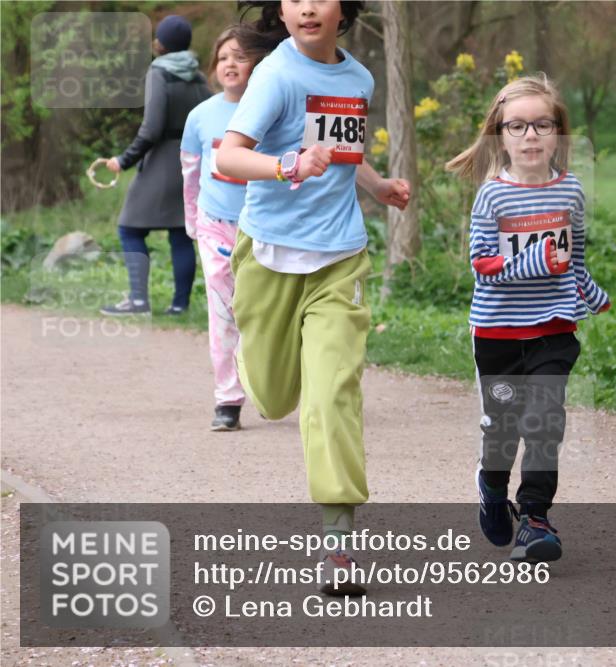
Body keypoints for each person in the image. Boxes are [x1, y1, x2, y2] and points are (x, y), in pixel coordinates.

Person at [216, 0, 410, 594]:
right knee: (274, 399)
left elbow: (341, 152)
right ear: (283, 8)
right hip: (270, 253)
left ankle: (339, 544)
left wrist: (378, 186)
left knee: (331, 397)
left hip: (339, 257)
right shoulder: (275, 75)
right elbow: (228, 156)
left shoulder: (358, 77)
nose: (307, 6)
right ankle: (257, 360)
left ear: (343, 9)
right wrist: (288, 165)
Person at [446, 75, 611, 563]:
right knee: (503, 431)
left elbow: (574, 256)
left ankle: (535, 518)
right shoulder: (493, 197)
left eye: (542, 124)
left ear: (559, 132)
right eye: (517, 126)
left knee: (544, 422)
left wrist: (589, 291)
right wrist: (537, 261)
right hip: (497, 333)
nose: (531, 135)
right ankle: (492, 489)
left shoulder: (571, 191)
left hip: (553, 329)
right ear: (500, 136)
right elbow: (482, 265)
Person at [102, 15, 211, 316]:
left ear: (160, 44)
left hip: (162, 162)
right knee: (180, 233)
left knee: (129, 228)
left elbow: (151, 128)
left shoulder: (158, 73)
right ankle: (180, 305)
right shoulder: (199, 77)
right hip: (192, 162)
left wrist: (123, 160)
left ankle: (138, 300)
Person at [179, 27, 257, 431]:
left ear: (256, 65)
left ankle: (268, 382)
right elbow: (190, 175)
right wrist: (193, 223)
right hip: (215, 228)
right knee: (223, 312)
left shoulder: (270, 112)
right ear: (214, 66)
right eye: (224, 56)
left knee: (262, 312)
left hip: (263, 229)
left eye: (240, 56)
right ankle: (228, 399)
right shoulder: (200, 116)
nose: (231, 63)